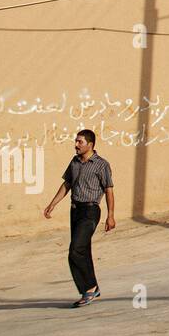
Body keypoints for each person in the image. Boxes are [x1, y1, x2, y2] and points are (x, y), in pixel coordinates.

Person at [43, 130, 115, 307]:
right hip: (75, 211)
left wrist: (110, 215)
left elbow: (109, 190)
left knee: (76, 250)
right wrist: (53, 203)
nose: (76, 145)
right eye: (76, 141)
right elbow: (67, 183)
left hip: (90, 211)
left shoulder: (101, 165)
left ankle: (89, 289)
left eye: (80, 142)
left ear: (90, 145)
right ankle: (92, 288)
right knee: (82, 250)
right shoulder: (74, 162)